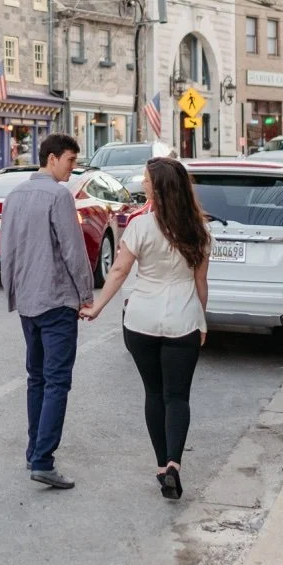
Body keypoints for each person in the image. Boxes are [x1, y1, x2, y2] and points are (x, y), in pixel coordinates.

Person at [81, 157, 210, 500]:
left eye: (147, 181)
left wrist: (97, 307)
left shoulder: (140, 226)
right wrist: (201, 319)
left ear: (161, 188)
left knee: (154, 393)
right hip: (183, 319)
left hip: (140, 321)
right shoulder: (199, 231)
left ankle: (161, 466)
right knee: (177, 396)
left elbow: (119, 271)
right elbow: (201, 282)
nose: (143, 185)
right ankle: (174, 464)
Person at [0, 132, 93, 490]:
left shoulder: (15, 195)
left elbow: (6, 250)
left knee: (36, 378)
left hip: (28, 301)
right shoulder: (58, 195)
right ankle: (43, 460)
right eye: (70, 160)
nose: (73, 168)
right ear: (52, 158)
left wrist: (13, 292)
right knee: (56, 381)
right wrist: (86, 295)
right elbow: (73, 250)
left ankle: (33, 451)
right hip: (56, 299)